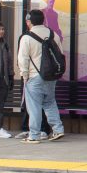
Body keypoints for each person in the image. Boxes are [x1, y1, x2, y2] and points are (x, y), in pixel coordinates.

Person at [17, 9, 65, 144]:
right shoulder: (53, 34)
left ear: (29, 22)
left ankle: (34, 135)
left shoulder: (26, 37)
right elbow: (60, 54)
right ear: (43, 20)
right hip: (51, 76)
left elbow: (23, 59)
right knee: (50, 102)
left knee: (34, 107)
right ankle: (58, 129)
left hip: (34, 76)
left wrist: (24, 75)